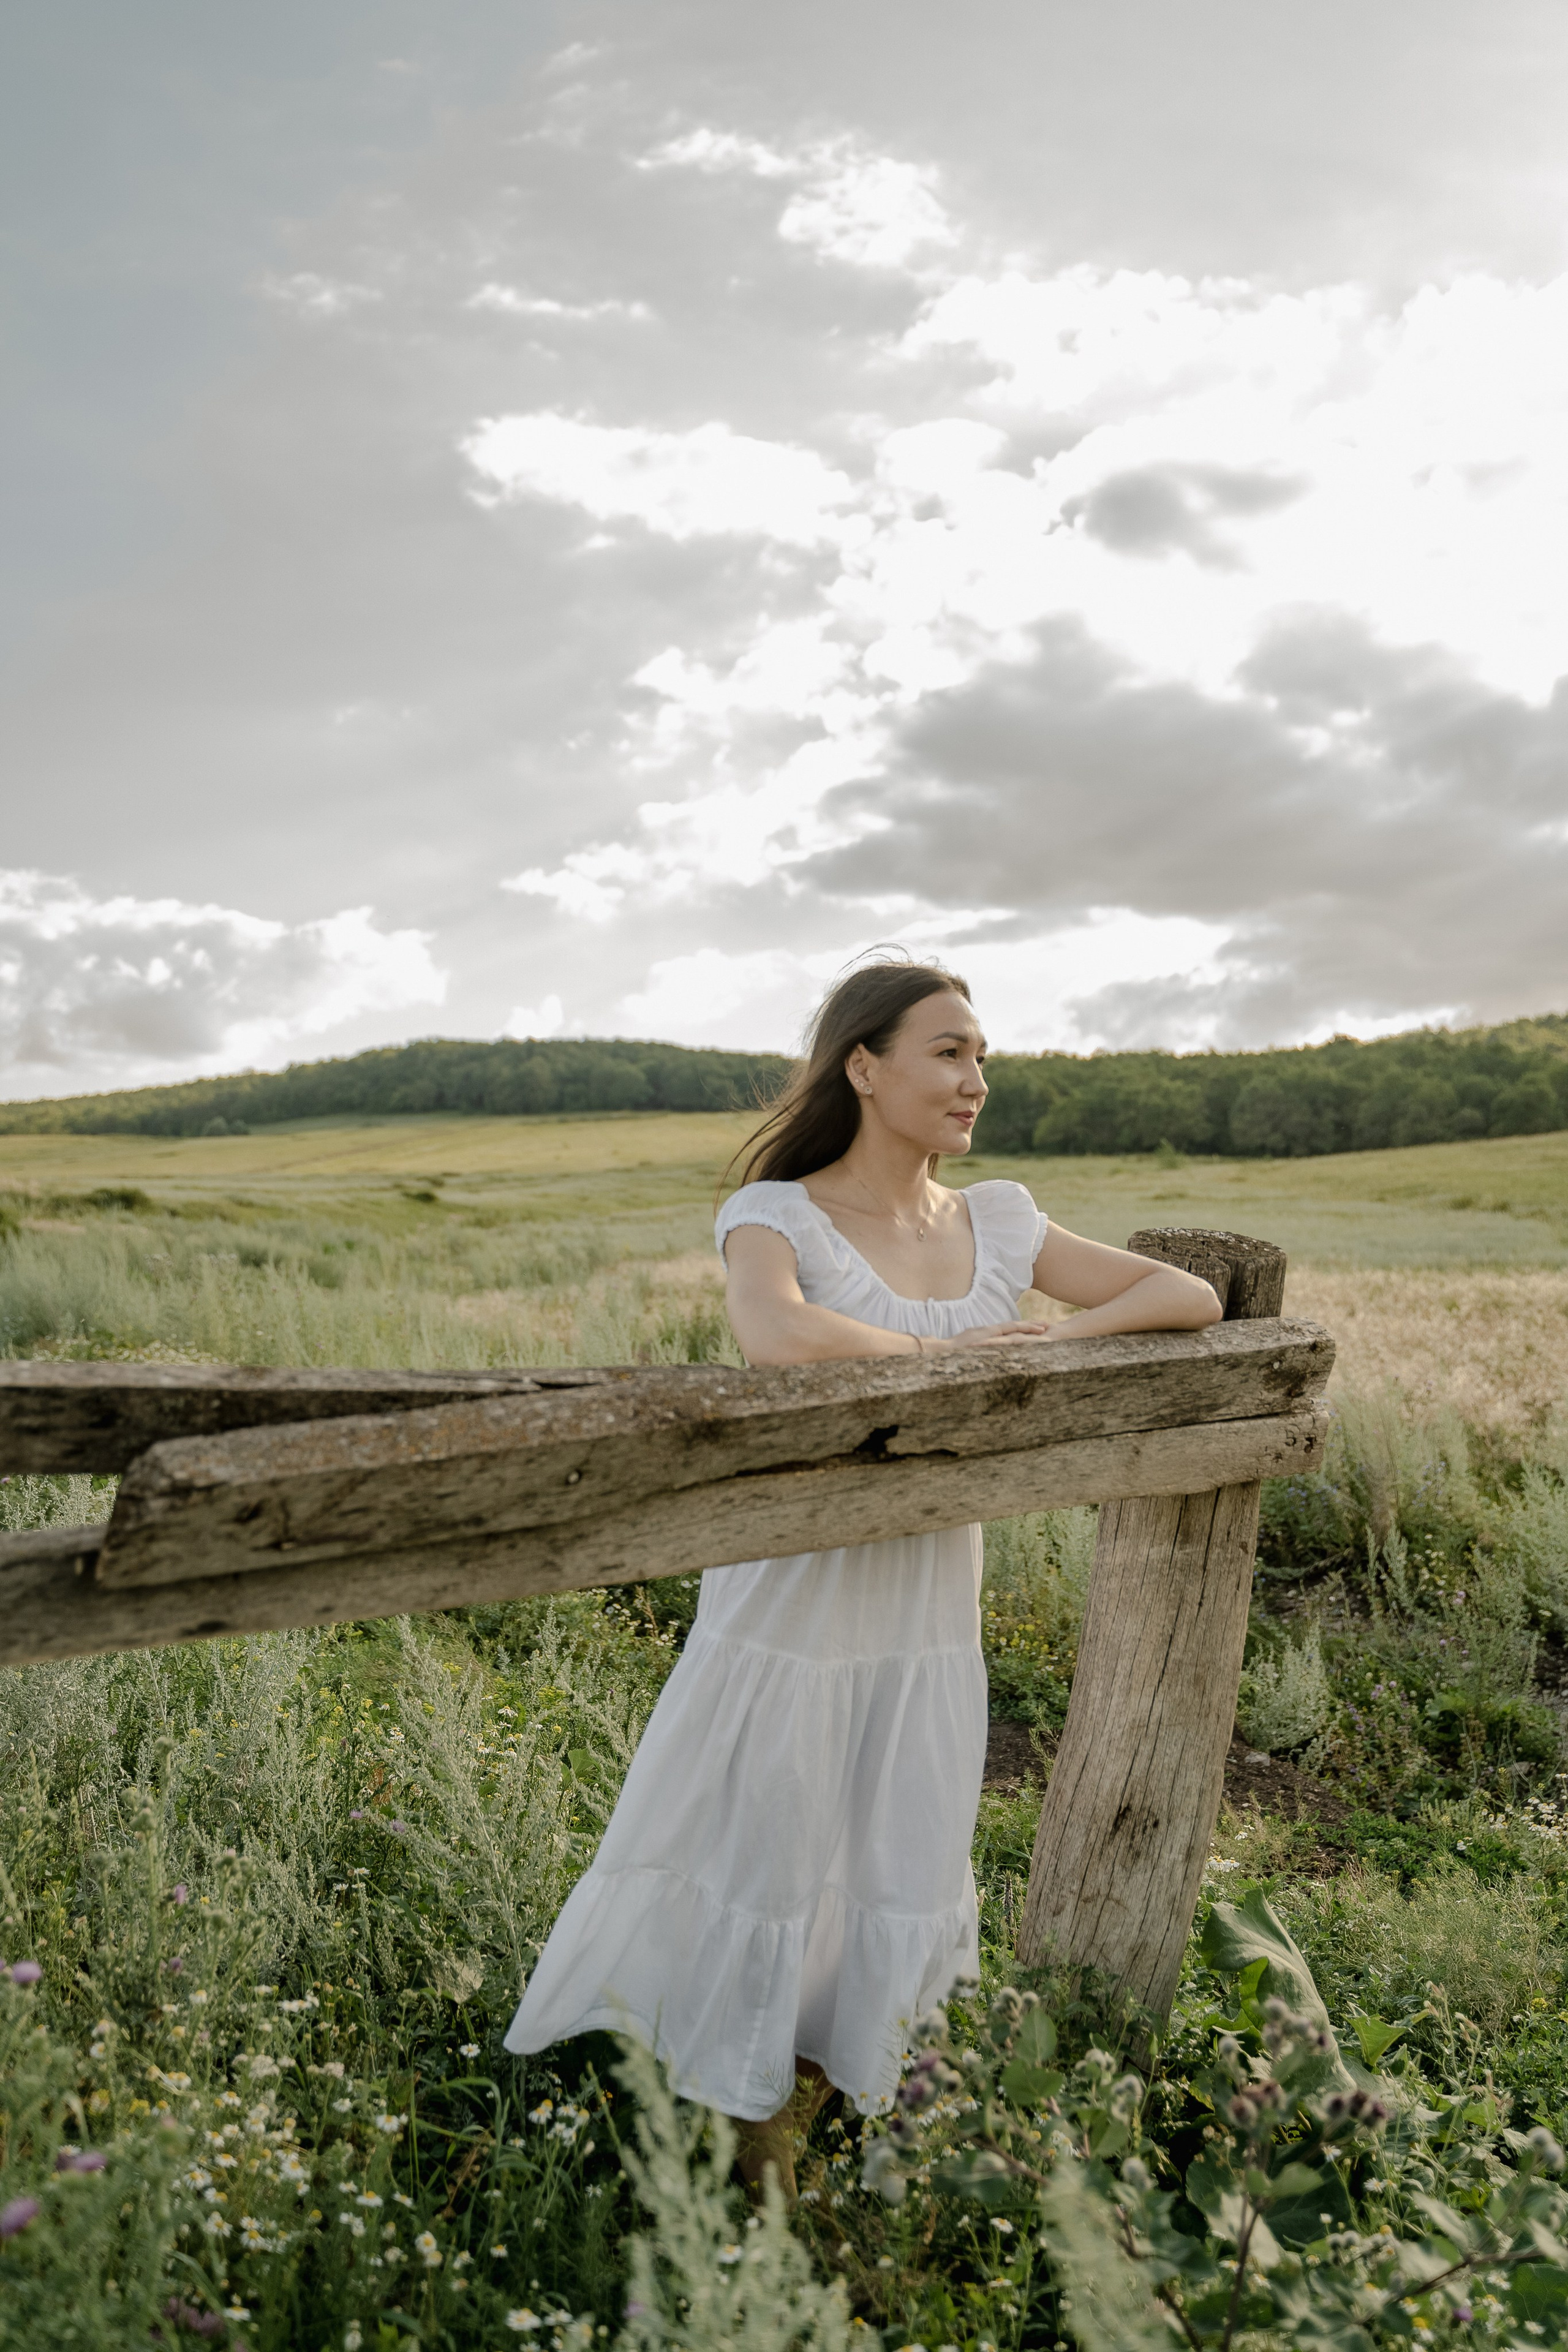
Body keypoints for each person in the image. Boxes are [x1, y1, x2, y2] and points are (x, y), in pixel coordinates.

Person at [503, 955, 1221, 2199]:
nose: (974, 1080)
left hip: (926, 1604)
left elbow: (1187, 1293)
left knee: (892, 1837)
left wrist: (1042, 1339)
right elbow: (778, 1337)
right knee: (771, 1831)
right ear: (862, 1066)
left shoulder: (997, 1217)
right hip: (795, 1590)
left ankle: (832, 2080)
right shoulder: (775, 1214)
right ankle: (737, 2122)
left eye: (980, 1054)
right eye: (946, 1052)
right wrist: (946, 1358)